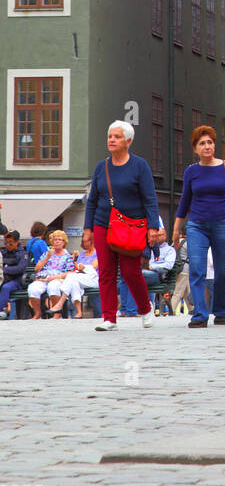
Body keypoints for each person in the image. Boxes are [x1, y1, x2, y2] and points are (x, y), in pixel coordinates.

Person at [85, 120, 160, 332]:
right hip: (103, 223)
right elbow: (92, 200)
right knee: (106, 272)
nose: (112, 140)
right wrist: (87, 229)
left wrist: (152, 226)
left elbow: (149, 198)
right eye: (110, 136)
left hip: (130, 226)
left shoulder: (139, 165)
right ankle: (109, 318)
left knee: (130, 272)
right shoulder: (102, 167)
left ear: (128, 141)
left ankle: (145, 308)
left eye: (117, 137)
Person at [172, 126, 225, 328]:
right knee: (196, 268)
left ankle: (221, 310)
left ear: (214, 145)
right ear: (195, 149)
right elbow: (185, 201)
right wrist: (177, 228)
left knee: (222, 271)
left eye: (210, 142)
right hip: (197, 225)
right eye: (202, 143)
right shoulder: (191, 171)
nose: (207, 146)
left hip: (223, 224)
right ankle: (200, 314)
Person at [27, 230, 76, 318]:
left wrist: (53, 278)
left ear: (64, 242)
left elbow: (69, 272)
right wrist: (48, 257)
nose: (57, 241)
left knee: (53, 286)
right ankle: (37, 313)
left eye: (59, 239)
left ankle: (57, 312)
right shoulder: (46, 254)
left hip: (57, 278)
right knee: (33, 288)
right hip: (43, 277)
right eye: (55, 239)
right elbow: (37, 269)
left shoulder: (67, 256)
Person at [56, 228, 100, 319]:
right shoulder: (82, 255)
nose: (84, 243)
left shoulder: (97, 253)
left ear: (92, 241)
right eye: (83, 241)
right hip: (81, 279)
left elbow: (94, 267)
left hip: (94, 279)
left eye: (86, 241)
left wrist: (83, 267)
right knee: (74, 282)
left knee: (72, 277)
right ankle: (79, 312)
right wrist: (74, 260)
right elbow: (76, 268)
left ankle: (61, 302)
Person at [0, 231, 29, 318]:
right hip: (4, 278)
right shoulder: (3, 252)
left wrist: (3, 270)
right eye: (6, 243)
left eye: (10, 243)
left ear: (16, 242)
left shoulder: (22, 254)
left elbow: (19, 269)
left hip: (16, 280)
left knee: (6, 287)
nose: (7, 245)